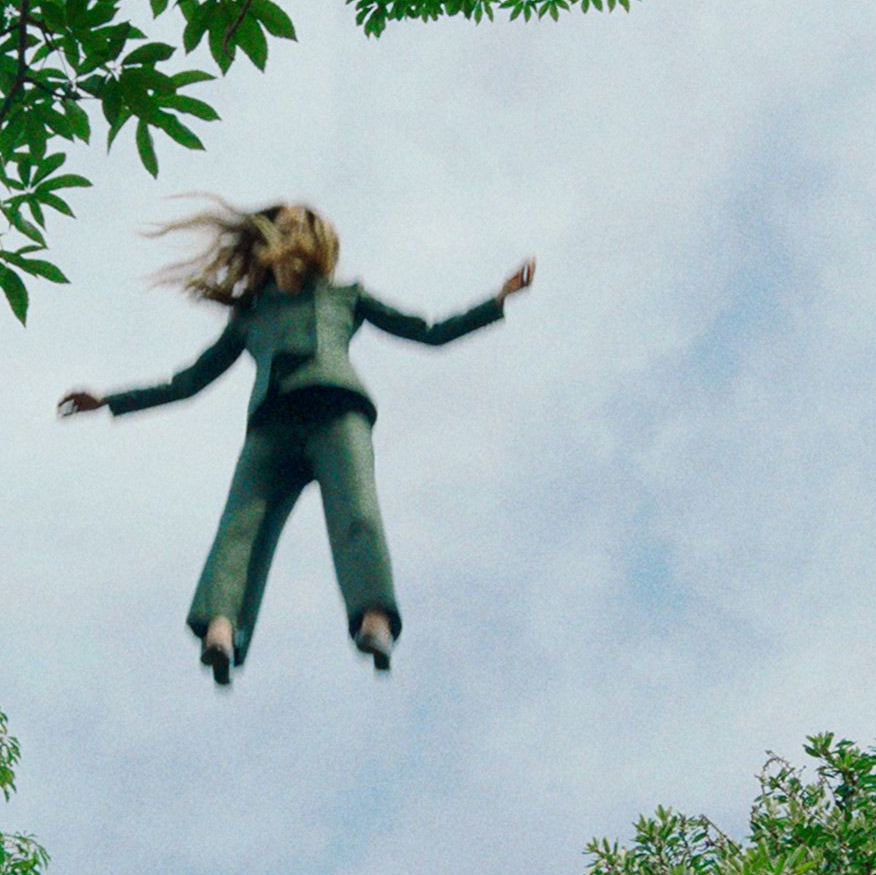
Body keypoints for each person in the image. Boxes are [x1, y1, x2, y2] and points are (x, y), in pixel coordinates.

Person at [60, 200, 534, 684]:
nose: (289, 233)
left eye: (297, 226)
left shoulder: (347, 297)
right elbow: (188, 382)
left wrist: (496, 301)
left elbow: (428, 331)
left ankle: (373, 615)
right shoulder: (251, 316)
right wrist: (109, 400)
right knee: (239, 529)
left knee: (357, 513)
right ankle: (221, 627)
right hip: (272, 426)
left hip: (336, 412)